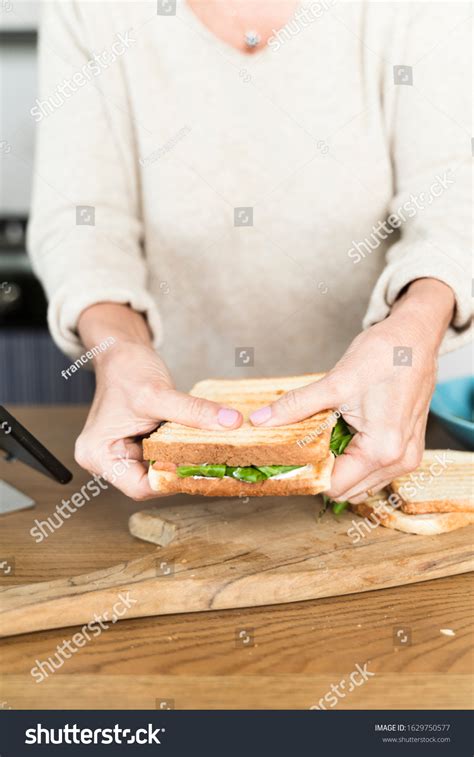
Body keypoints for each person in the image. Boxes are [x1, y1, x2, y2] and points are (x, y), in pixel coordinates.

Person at [28, 0, 471, 503]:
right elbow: (84, 223)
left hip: (380, 443)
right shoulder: (86, 10)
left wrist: (414, 328)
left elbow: (454, 200)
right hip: (166, 440)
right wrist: (117, 349)